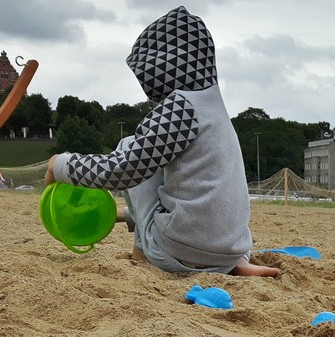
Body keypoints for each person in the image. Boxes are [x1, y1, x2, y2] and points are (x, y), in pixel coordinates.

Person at [43, 6, 279, 277]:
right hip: (232, 248)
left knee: (129, 148)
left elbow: (124, 170)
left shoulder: (180, 108)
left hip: (178, 251)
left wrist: (60, 164)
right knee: (172, 167)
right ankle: (231, 263)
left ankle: (141, 253)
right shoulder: (214, 107)